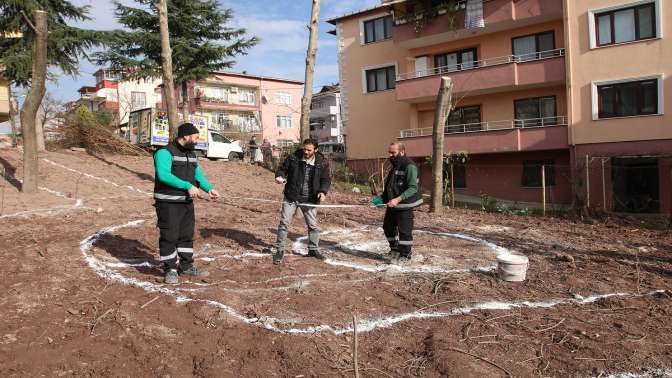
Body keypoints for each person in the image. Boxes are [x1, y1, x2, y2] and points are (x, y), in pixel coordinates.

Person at [153, 123, 220, 284]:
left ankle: (186, 266)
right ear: (185, 136)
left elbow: (198, 175)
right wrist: (187, 186)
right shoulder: (164, 152)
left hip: (186, 203)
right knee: (169, 236)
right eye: (196, 137)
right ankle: (170, 269)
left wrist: (208, 189)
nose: (197, 140)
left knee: (186, 235)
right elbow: (163, 175)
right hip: (168, 203)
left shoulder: (191, 154)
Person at [273, 139, 331, 265]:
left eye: (309, 150)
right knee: (284, 223)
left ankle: (313, 250)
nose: (306, 151)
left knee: (313, 226)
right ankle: (280, 250)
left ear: (315, 150)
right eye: (305, 149)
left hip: (310, 199)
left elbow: (326, 179)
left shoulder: (322, 162)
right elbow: (282, 169)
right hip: (291, 197)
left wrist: (323, 191)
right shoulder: (293, 157)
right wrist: (280, 176)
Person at [381, 142, 422, 263]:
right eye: (389, 152)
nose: (390, 155)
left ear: (402, 152)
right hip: (392, 205)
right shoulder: (395, 165)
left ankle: (405, 255)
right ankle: (394, 250)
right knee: (388, 227)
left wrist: (397, 199)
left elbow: (413, 188)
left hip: (404, 205)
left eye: (393, 152)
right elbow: (390, 186)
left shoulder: (409, 166)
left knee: (404, 231)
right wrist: (381, 199)